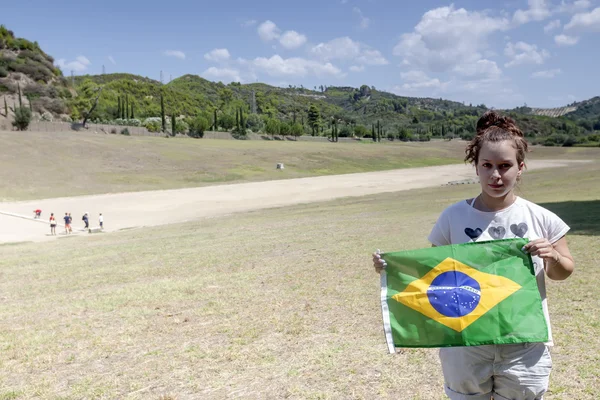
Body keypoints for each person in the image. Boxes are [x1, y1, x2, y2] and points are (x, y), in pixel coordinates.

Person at [373, 110, 575, 400]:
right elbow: (434, 276)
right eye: (487, 165)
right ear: (476, 167)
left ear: (520, 167)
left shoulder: (542, 218)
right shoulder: (453, 216)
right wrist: (392, 269)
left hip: (524, 345)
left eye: (505, 166)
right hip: (465, 343)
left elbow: (564, 271)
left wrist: (552, 256)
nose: (496, 175)